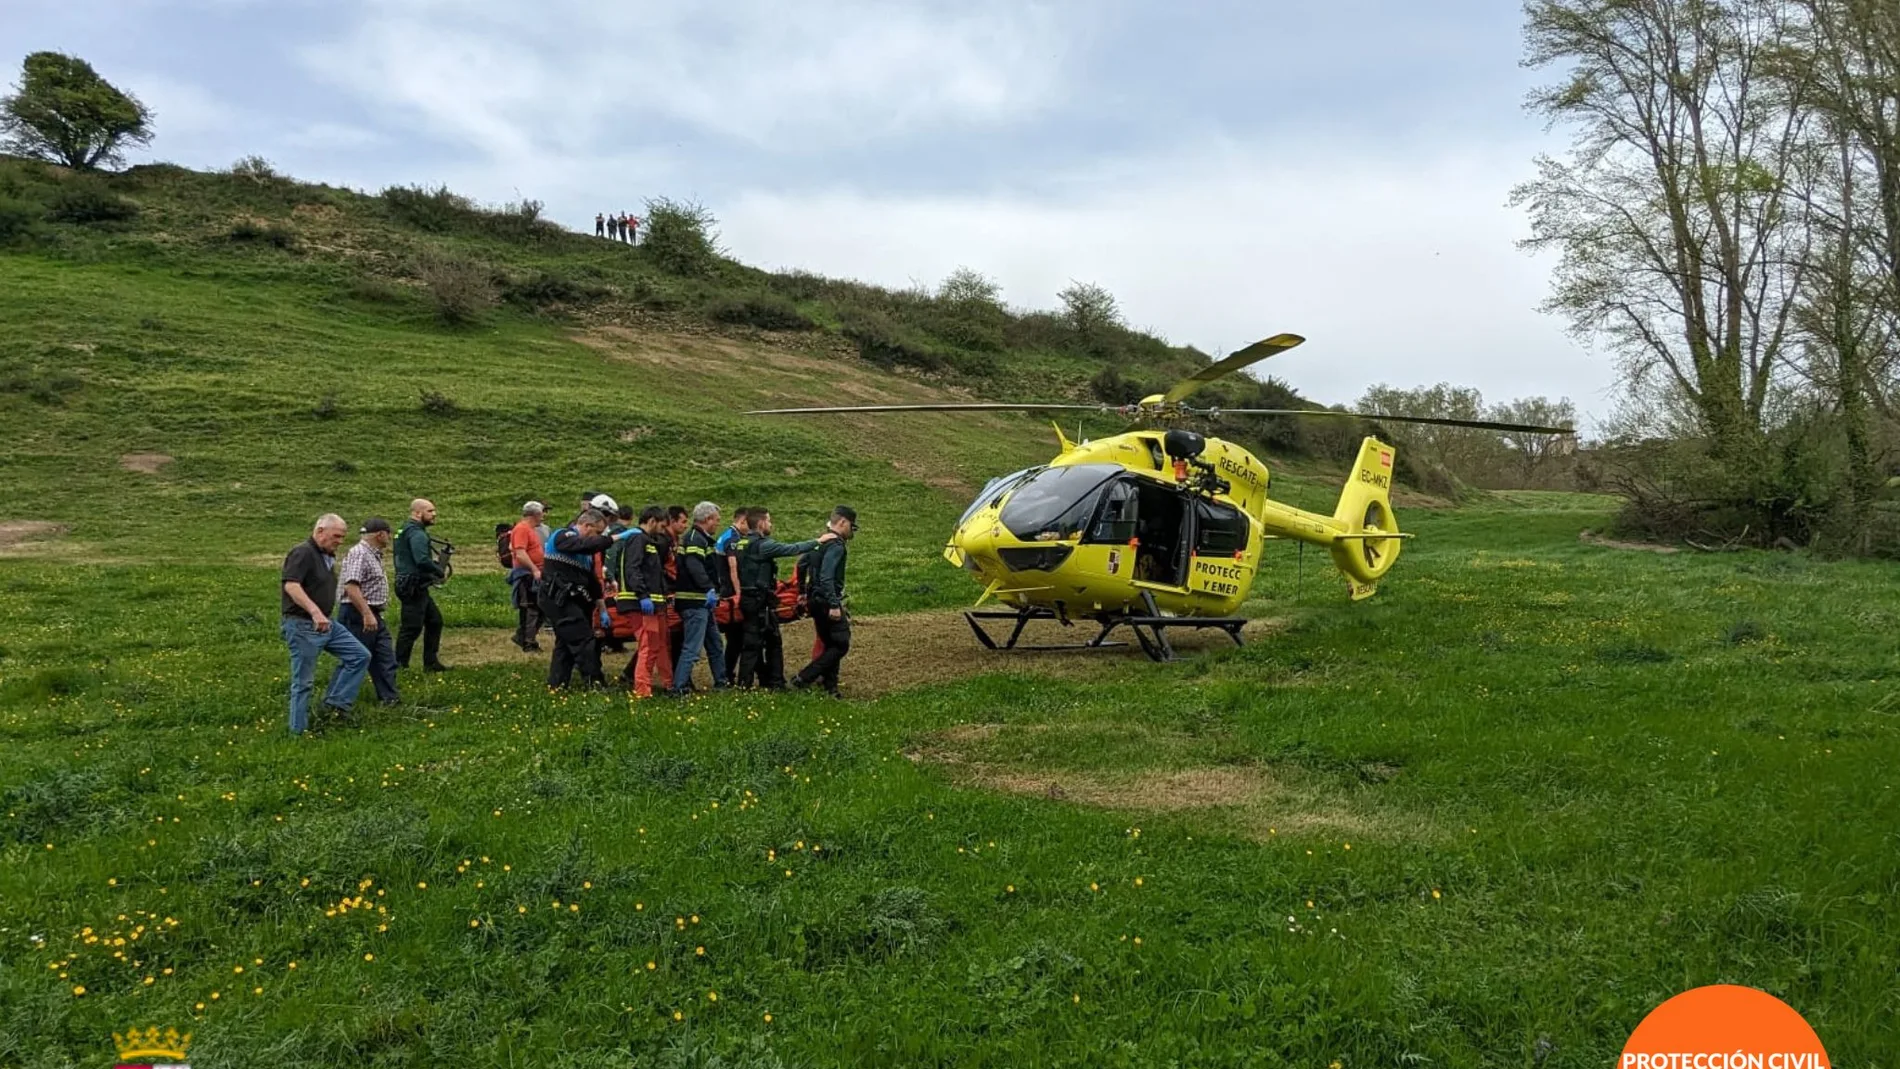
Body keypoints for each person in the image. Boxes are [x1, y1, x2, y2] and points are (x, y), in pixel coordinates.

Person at [280, 514, 369, 735]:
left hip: (327, 623)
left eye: (342, 537)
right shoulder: (303, 552)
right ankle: (297, 733)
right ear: (320, 531)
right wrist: (315, 612)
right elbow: (291, 586)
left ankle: (335, 706)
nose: (340, 541)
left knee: (359, 655)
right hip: (303, 625)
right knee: (304, 682)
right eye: (336, 536)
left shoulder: (325, 556)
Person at [734, 509, 833, 689]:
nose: (771, 524)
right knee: (753, 644)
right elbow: (791, 549)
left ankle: (774, 682)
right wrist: (818, 541)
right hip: (757, 600)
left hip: (754, 599)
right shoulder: (762, 546)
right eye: (769, 521)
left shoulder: (741, 543)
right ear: (761, 523)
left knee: (771, 641)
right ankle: (745, 686)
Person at [537, 507, 615, 689]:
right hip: (558, 598)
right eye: (597, 533)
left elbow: (593, 582)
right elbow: (583, 545)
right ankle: (595, 682)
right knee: (584, 640)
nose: (597, 538)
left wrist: (602, 608)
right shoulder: (562, 536)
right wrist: (612, 539)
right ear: (586, 526)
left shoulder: (584, 556)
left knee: (565, 643)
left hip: (571, 600)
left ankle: (557, 683)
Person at [793, 506, 858, 697]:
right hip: (825, 600)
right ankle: (805, 677)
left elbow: (801, 565)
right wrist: (833, 604)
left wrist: (802, 592)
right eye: (851, 527)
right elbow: (827, 576)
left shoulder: (820, 541)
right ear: (843, 522)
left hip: (814, 599)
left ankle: (831, 688)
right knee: (841, 643)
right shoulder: (836, 545)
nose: (851, 532)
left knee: (831, 644)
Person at [336, 516, 400, 707]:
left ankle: (390, 699)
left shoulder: (372, 554)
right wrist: (366, 613)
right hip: (358, 613)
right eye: (388, 534)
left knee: (384, 656)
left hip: (373, 613)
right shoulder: (360, 553)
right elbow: (351, 586)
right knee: (355, 658)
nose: (389, 538)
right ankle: (336, 703)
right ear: (381, 534)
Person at [670, 501, 729, 695]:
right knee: (692, 647)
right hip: (694, 600)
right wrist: (709, 588)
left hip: (701, 602)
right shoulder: (696, 539)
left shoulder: (700, 538)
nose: (717, 525)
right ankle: (679, 688)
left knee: (715, 644)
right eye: (716, 520)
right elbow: (695, 566)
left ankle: (722, 681)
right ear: (707, 519)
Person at [616, 506, 672, 697]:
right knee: (648, 645)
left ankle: (668, 684)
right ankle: (642, 690)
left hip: (653, 604)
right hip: (638, 604)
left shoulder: (648, 542)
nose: (662, 531)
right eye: (662, 526)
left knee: (658, 644)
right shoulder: (638, 539)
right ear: (652, 521)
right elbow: (633, 569)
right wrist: (642, 596)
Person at [393, 498, 448, 671]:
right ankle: (399, 666)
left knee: (434, 621)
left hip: (411, 584)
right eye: (430, 511)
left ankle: (431, 662)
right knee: (411, 627)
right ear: (417, 513)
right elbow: (422, 560)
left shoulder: (404, 529)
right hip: (413, 585)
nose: (434, 514)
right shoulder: (417, 533)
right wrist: (439, 571)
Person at [715, 507, 753, 682]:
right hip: (730, 594)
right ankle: (726, 674)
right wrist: (738, 593)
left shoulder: (726, 535)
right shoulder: (733, 539)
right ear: (742, 521)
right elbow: (733, 567)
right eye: (749, 523)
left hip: (723, 591)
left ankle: (726, 673)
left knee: (735, 639)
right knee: (736, 639)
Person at [509, 501, 547, 651]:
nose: (543, 517)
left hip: (534, 573)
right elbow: (520, 552)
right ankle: (527, 640)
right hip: (527, 575)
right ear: (535, 515)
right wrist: (534, 569)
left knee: (539, 608)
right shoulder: (522, 529)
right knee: (530, 608)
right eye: (542, 513)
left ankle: (524, 636)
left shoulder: (529, 529)